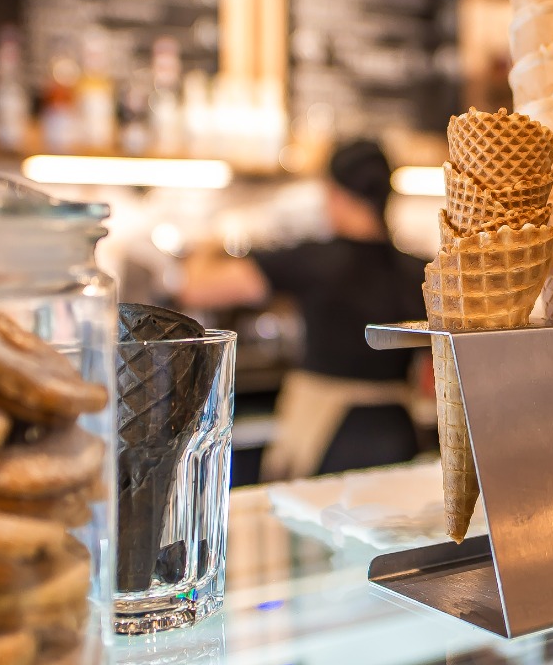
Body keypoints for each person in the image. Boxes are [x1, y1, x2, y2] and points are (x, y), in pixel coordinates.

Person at [181, 139, 426, 480]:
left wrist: (210, 243)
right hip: (398, 432)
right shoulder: (419, 270)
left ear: (335, 194)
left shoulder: (315, 259)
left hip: (328, 434)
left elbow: (197, 289)